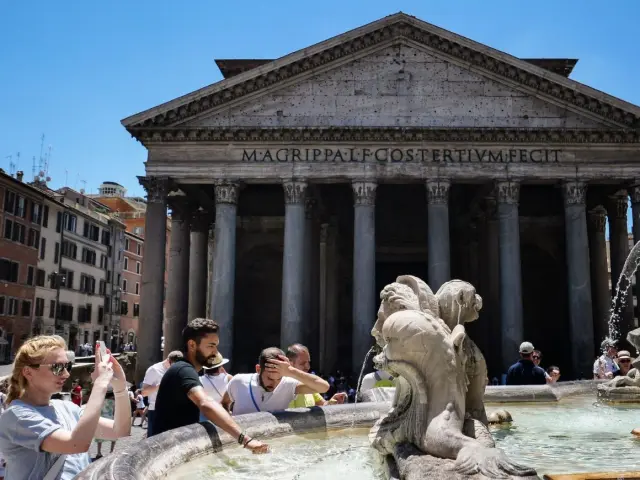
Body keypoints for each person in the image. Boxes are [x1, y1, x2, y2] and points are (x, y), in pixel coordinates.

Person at [0, 336, 131, 480]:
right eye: (57, 367)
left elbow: (119, 430)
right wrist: (100, 383)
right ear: (28, 372)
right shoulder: (17, 416)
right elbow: (76, 444)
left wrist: (120, 387)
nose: (66, 374)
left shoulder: (67, 408)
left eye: (67, 366)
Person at [150, 318, 268, 454]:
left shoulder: (184, 369)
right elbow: (205, 403)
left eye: (216, 346)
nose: (215, 352)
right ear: (192, 345)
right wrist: (245, 439)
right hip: (168, 452)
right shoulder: (184, 370)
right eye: (211, 346)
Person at [222, 347, 330, 415]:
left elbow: (324, 387)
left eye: (278, 378)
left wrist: (291, 371)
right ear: (258, 369)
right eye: (269, 378)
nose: (274, 384)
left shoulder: (288, 384)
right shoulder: (238, 381)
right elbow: (224, 403)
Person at [141, 350, 183, 437]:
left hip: (173, 410)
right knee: (154, 440)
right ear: (168, 360)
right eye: (174, 365)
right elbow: (144, 392)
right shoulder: (154, 370)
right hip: (156, 410)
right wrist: (159, 386)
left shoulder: (177, 370)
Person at [94, 390, 116, 459]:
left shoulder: (101, 401)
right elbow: (114, 412)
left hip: (101, 420)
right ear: (112, 396)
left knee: (100, 437)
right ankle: (111, 451)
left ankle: (99, 452)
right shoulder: (113, 402)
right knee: (113, 437)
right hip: (110, 420)